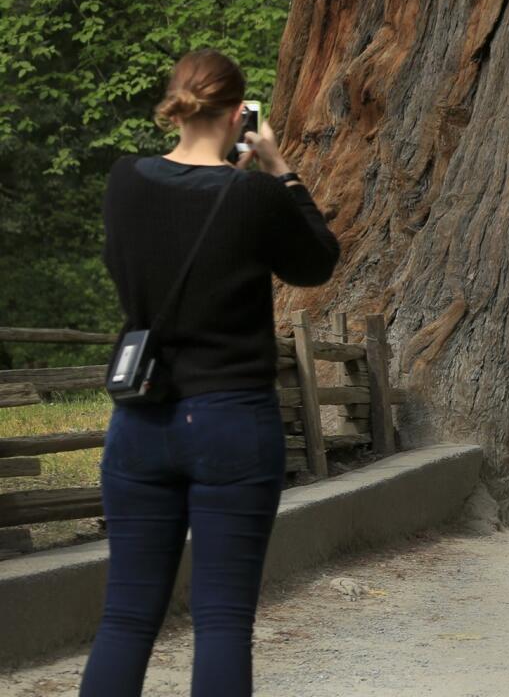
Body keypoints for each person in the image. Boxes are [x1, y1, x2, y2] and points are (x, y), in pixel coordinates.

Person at [82, 49, 340, 697]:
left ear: (178, 106)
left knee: (125, 618)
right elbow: (317, 263)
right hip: (230, 420)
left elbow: (124, 266)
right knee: (223, 621)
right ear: (236, 115)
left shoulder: (124, 182)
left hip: (141, 419)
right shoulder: (252, 193)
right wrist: (279, 170)